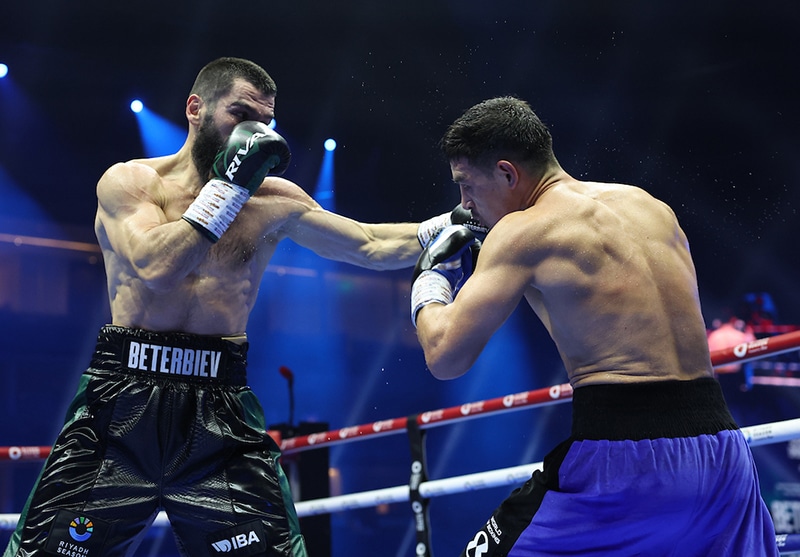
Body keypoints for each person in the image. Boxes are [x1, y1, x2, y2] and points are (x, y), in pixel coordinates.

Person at [3, 57, 477, 557]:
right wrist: (226, 189)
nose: (254, 131)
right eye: (240, 114)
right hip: (122, 402)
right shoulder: (131, 183)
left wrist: (459, 221)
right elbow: (154, 266)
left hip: (219, 410)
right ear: (195, 109)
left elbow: (368, 244)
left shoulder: (273, 199)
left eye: (264, 123)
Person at [410, 96, 779, 556]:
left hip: (627, 462)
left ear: (507, 174)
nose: (463, 204)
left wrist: (430, 280)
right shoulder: (649, 207)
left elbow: (445, 356)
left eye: (466, 186)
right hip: (725, 457)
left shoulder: (524, 230)